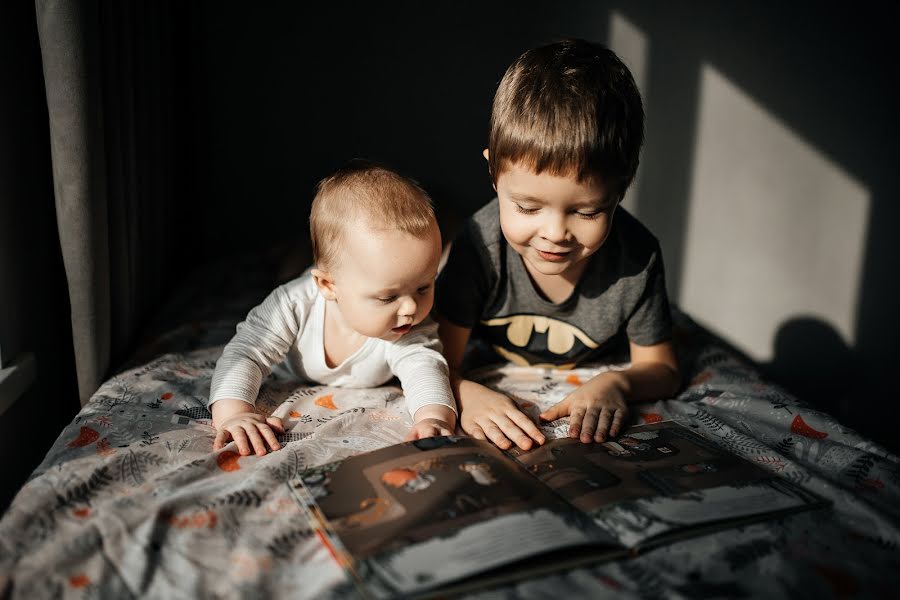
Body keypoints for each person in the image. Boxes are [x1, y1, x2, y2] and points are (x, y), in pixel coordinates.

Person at [435, 39, 680, 451]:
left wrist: (616, 381)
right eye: (527, 207)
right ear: (494, 173)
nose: (554, 233)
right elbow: (437, 360)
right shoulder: (479, 246)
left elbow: (663, 369)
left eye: (586, 213)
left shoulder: (636, 259)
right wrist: (464, 392)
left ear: (621, 188)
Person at [209, 162, 457, 456]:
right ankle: (291, 258)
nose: (411, 308)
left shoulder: (410, 326)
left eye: (424, 287)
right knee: (289, 271)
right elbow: (246, 352)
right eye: (387, 297)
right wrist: (234, 413)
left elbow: (425, 368)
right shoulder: (293, 305)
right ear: (328, 285)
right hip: (303, 284)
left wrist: (433, 418)